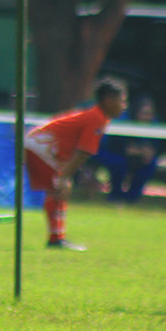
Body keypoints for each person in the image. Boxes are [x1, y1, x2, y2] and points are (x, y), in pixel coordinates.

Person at [25, 78, 128, 251]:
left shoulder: (97, 116)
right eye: (122, 100)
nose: (124, 105)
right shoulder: (96, 118)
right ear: (109, 101)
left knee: (58, 189)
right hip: (41, 146)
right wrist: (64, 176)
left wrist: (65, 176)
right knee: (58, 188)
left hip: (39, 144)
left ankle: (57, 237)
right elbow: (84, 151)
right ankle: (56, 239)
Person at [93, 95, 160, 203]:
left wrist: (147, 153)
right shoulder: (122, 121)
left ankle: (132, 197)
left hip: (134, 156)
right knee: (118, 163)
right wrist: (133, 150)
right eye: (144, 113)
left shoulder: (154, 124)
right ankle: (116, 195)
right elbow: (113, 144)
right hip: (107, 151)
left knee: (150, 164)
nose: (147, 117)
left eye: (150, 114)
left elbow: (155, 146)